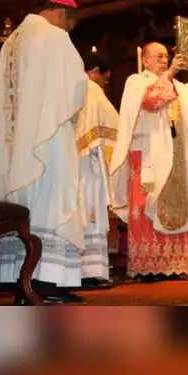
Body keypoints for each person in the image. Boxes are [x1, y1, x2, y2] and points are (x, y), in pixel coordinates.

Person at [0, 0, 88, 304]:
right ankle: (48, 282)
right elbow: (76, 87)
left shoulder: (12, 42)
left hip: (15, 145)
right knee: (51, 202)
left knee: (23, 204)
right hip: (47, 143)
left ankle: (15, 278)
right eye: (69, 27)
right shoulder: (54, 36)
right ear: (61, 15)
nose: (67, 32)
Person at [109, 42, 188, 282]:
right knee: (146, 209)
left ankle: (174, 264)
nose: (163, 60)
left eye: (165, 56)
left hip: (175, 160)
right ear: (146, 60)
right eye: (158, 57)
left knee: (176, 207)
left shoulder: (178, 86)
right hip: (146, 155)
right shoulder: (136, 81)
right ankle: (148, 267)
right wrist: (170, 72)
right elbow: (150, 102)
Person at [74, 51, 119, 290]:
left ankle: (83, 271)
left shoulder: (73, 85)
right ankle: (89, 273)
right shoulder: (91, 89)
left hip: (76, 161)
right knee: (91, 215)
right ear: (94, 72)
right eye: (105, 78)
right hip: (88, 163)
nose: (104, 83)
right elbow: (111, 125)